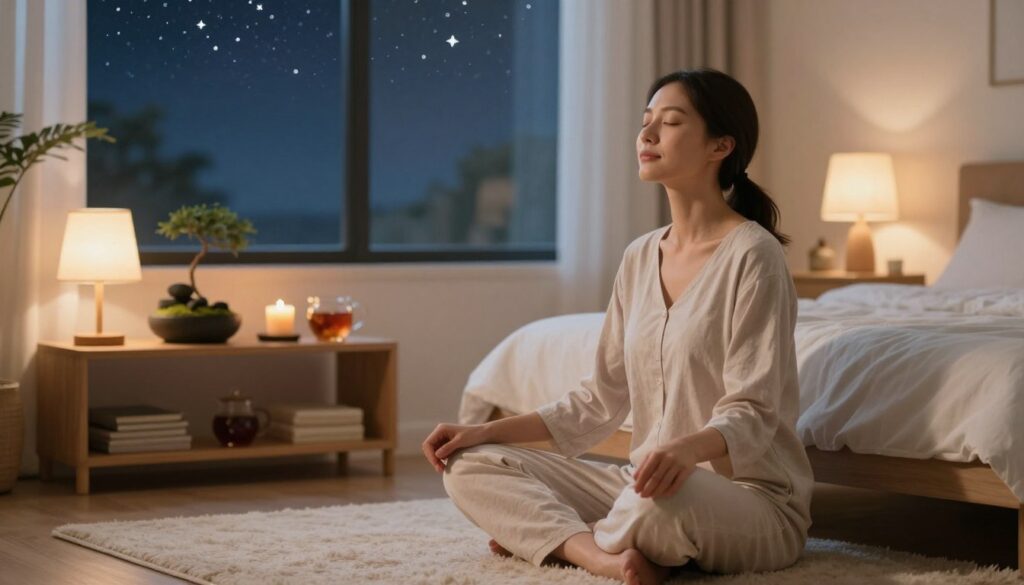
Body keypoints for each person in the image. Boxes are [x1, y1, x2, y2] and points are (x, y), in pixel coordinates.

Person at [421, 68, 813, 585]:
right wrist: (484, 431)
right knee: (470, 466)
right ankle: (604, 555)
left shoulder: (754, 256)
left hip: (747, 499)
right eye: (645, 122)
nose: (647, 135)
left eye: (669, 123)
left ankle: (558, 539)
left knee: (656, 508)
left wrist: (686, 450)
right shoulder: (638, 256)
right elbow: (599, 400)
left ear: (721, 145)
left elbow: (756, 411)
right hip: (642, 484)